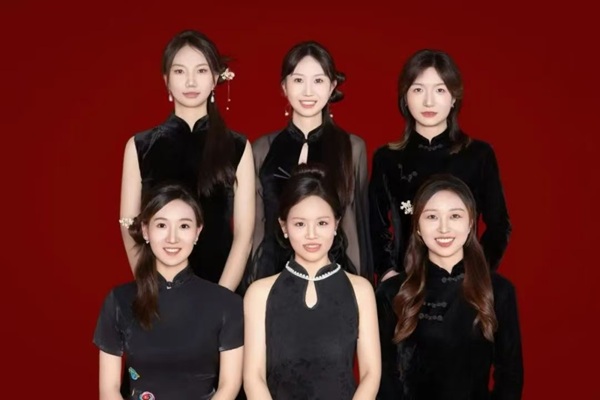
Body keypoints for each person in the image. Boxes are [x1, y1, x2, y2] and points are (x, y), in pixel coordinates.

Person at [119, 29, 254, 292]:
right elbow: (128, 225)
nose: (191, 82)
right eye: (180, 71)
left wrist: (219, 299)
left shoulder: (237, 146)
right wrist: (152, 287)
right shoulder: (140, 146)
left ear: (215, 78)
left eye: (201, 71)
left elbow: (244, 235)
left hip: (222, 286)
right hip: (157, 288)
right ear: (166, 80)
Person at [376, 174, 523, 399]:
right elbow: (384, 379)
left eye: (455, 216)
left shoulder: (499, 291)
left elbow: (510, 377)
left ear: (470, 222)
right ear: (417, 227)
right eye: (432, 217)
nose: (444, 228)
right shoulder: (391, 293)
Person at [369, 49, 511, 282]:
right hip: (406, 283)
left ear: (454, 97)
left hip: (465, 284)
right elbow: (375, 224)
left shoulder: (478, 155)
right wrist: (387, 272)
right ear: (405, 97)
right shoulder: (387, 158)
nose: (429, 101)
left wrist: (477, 272)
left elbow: (499, 225)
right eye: (418, 90)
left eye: (440, 90)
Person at [243, 164, 381, 399]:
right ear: (284, 226)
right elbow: (253, 377)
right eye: (300, 224)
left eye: (322, 223)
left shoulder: (361, 290)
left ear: (336, 224)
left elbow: (371, 374)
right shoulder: (259, 293)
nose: (311, 234)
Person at [94, 183, 244, 399]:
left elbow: (229, 386)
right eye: (162, 225)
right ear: (145, 230)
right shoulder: (119, 300)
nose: (172, 238)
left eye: (184, 226)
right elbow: (109, 390)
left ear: (197, 232)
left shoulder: (226, 304)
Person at [247, 40, 372, 288]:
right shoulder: (262, 148)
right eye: (298, 80)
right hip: (273, 275)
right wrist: (253, 283)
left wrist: (359, 285)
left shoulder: (351, 147)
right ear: (284, 86)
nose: (308, 92)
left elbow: (354, 224)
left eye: (318, 81)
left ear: (332, 86)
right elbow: (257, 225)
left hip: (334, 275)